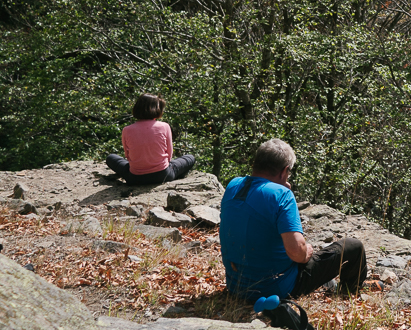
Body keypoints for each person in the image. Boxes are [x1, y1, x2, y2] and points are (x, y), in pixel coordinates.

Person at [220, 138, 367, 301]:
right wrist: (307, 252)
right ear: (284, 171)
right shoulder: (282, 196)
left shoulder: (233, 185)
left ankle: (329, 283)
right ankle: (348, 293)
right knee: (354, 247)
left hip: (236, 286)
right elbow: (297, 252)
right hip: (274, 289)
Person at [106, 93, 195, 186]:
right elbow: (169, 155)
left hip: (134, 178)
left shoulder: (127, 130)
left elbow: (128, 156)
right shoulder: (164, 126)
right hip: (163, 175)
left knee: (111, 158)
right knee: (190, 158)